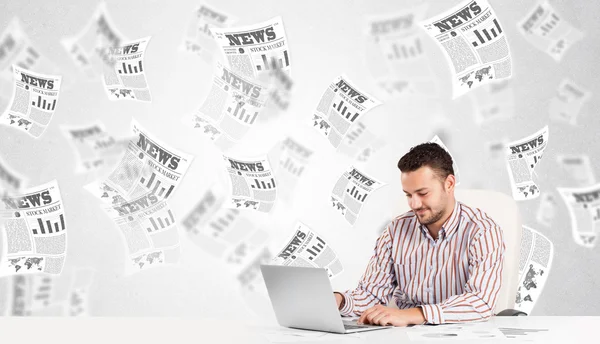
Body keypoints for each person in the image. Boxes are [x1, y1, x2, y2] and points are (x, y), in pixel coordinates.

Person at [334, 142, 505, 326]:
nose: (414, 204)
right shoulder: (395, 231)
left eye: (422, 193)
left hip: (462, 335)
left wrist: (413, 315)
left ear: (449, 184)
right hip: (405, 335)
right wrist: (338, 301)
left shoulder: (483, 231)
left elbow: (480, 302)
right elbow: (371, 295)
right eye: (408, 195)